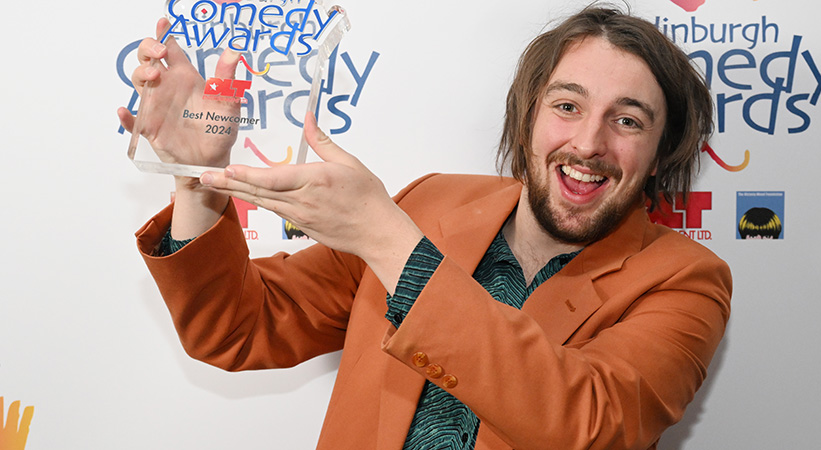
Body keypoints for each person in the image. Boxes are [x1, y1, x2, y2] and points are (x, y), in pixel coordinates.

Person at [118, 5, 731, 450]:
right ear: (527, 118)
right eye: (566, 106)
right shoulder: (432, 203)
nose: (589, 143)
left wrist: (387, 240)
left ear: (661, 152)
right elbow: (238, 328)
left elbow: (586, 424)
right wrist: (195, 176)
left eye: (628, 121)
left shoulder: (686, 280)